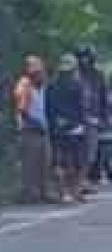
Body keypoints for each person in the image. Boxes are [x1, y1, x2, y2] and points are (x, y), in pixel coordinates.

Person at [46, 53, 87, 203]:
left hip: (56, 128)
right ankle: (74, 192)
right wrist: (81, 123)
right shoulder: (77, 85)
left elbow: (48, 109)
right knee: (76, 161)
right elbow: (81, 107)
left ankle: (62, 193)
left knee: (59, 161)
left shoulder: (51, 85)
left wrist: (53, 124)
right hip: (74, 128)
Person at [13, 56, 51, 204]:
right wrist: (34, 123)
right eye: (36, 72)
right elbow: (22, 110)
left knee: (44, 163)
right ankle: (27, 193)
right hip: (30, 131)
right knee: (29, 164)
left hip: (44, 130)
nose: (39, 75)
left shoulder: (43, 87)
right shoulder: (24, 84)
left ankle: (43, 192)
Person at [76, 46, 107, 189]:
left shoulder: (98, 76)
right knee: (78, 152)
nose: (85, 60)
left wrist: (103, 118)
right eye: (82, 57)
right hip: (77, 119)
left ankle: (86, 179)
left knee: (91, 152)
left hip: (93, 119)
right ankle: (79, 182)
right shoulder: (75, 75)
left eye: (88, 57)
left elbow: (103, 99)